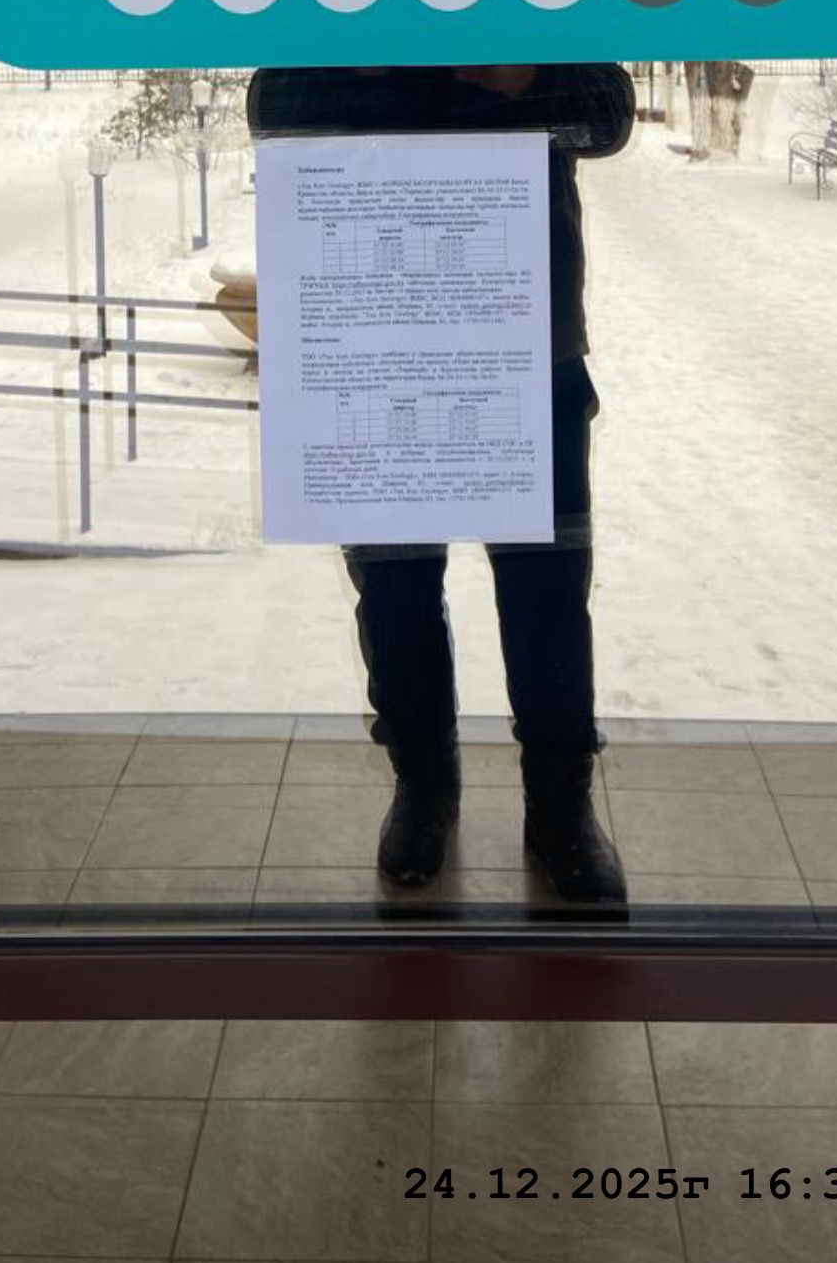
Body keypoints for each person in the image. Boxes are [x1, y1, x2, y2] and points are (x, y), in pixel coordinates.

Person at [246, 62, 633, 905]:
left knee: (548, 591)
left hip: (525, 337)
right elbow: (275, 104)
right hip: (374, 329)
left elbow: (604, 112)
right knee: (394, 588)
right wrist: (470, 82)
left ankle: (560, 803)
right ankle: (423, 782)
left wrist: (463, 83)